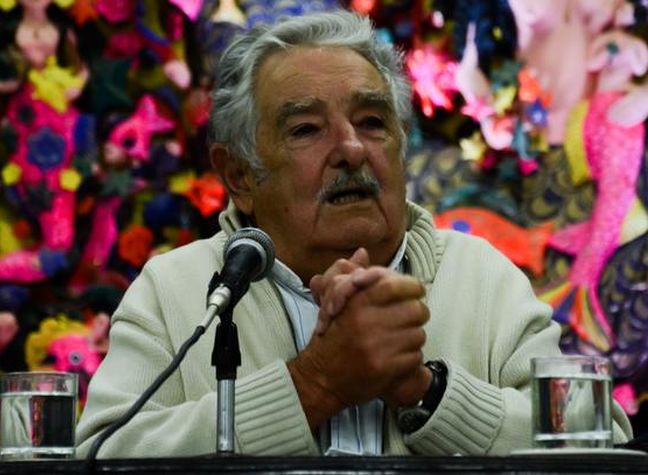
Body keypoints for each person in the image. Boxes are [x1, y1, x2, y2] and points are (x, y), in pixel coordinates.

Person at [75, 10, 633, 458]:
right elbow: (102, 451)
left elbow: (599, 437)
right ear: (240, 176)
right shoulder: (180, 289)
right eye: (306, 129)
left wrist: (424, 392)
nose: (351, 150)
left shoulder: (479, 275)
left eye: (372, 122)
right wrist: (314, 385)